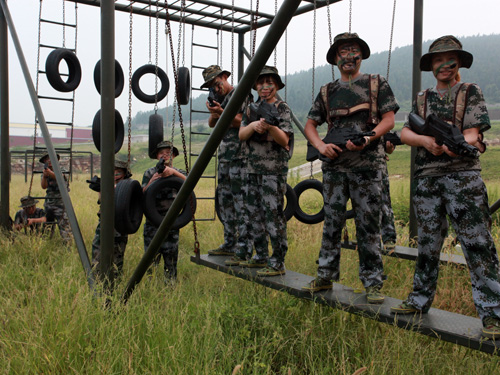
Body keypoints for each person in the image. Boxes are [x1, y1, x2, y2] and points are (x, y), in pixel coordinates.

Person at [390, 35, 500, 339]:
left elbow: (473, 132)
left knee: (477, 243)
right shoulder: (422, 98)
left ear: (459, 63)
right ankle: (418, 301)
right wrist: (427, 141)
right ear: (432, 65)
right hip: (427, 178)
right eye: (438, 60)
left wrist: (457, 145)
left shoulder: (470, 92)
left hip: (463, 177)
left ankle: (493, 313)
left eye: (449, 59)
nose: (444, 65)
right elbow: (406, 132)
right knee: (427, 243)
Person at [302, 33, 399, 304]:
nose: (348, 56)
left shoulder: (376, 84)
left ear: (361, 55)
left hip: (367, 167)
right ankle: (325, 275)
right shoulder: (326, 91)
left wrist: (370, 137)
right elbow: (311, 124)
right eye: (343, 51)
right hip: (334, 168)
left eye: (353, 50)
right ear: (335, 58)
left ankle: (373, 283)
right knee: (331, 223)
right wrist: (321, 147)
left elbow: (389, 119)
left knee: (368, 226)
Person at [232, 65, 293, 277]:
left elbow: (284, 139)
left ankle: (277, 262)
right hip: (252, 169)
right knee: (253, 214)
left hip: (273, 171)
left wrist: (269, 127)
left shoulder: (282, 108)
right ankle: (260, 256)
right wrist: (254, 126)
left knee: (273, 216)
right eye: (260, 83)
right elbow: (241, 134)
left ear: (276, 85)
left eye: (269, 83)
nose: (265, 87)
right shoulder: (251, 108)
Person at [201, 65, 255, 259]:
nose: (216, 89)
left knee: (241, 202)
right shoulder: (220, 98)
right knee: (225, 202)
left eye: (217, 83)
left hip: (240, 156)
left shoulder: (241, 94)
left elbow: (243, 121)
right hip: (225, 157)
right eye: (211, 87)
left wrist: (222, 111)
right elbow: (212, 123)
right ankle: (229, 242)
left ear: (224, 77)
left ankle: (245, 248)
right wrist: (215, 111)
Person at [142, 141, 185, 282]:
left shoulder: (179, 172)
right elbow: (141, 194)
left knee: (171, 257)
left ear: (174, 155)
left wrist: (173, 173)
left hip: (171, 222)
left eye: (169, 152)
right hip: (152, 222)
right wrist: (152, 181)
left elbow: (191, 183)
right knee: (150, 258)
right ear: (157, 156)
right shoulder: (149, 172)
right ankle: (150, 286)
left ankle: (170, 285)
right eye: (162, 153)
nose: (165, 155)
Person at [91, 160, 132, 281]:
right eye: (112, 172)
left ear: (124, 173)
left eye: (118, 172)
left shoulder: (129, 185)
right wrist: (102, 189)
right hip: (103, 225)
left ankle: (114, 285)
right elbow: (101, 201)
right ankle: (97, 284)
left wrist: (112, 188)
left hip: (119, 227)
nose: (115, 175)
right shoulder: (107, 183)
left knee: (116, 260)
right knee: (97, 256)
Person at [40, 152, 72, 244]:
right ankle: (47, 244)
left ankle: (68, 247)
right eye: (47, 159)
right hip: (49, 203)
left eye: (51, 158)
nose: (49, 161)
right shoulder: (45, 171)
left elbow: (61, 179)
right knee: (47, 227)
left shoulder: (61, 169)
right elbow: (43, 186)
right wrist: (45, 176)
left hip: (61, 204)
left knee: (65, 227)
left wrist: (50, 173)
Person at [380, 137, 397, 250]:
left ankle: (389, 239)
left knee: (384, 202)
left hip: (375, 165)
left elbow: (390, 148)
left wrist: (388, 148)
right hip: (346, 163)